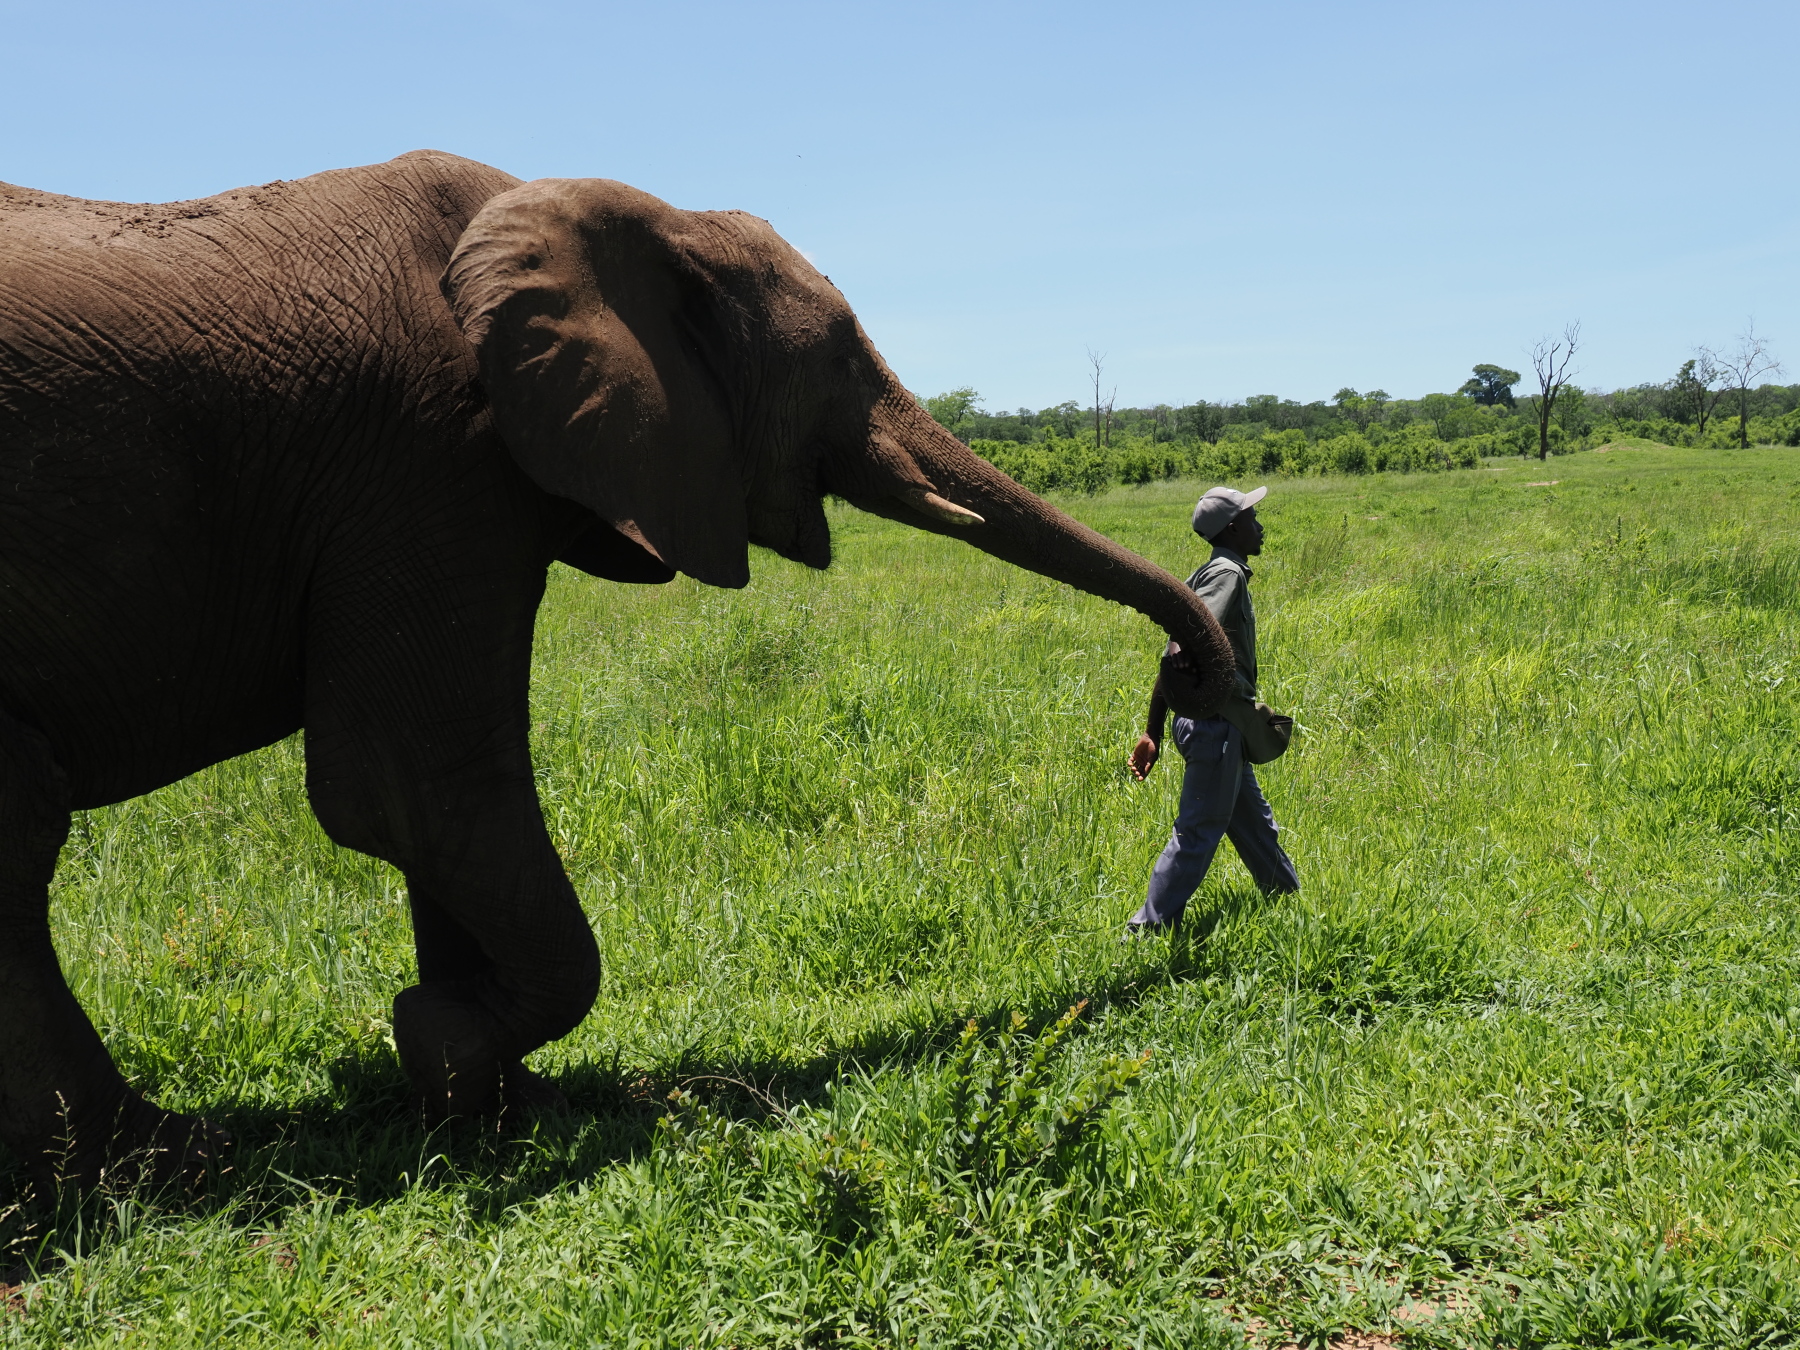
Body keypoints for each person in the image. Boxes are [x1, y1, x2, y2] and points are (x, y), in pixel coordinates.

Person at [1127, 485, 1298, 930]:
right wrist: (1182, 650)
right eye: (1253, 518)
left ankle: (1286, 899)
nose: (1260, 526)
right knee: (1199, 830)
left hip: (1221, 725)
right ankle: (1147, 929)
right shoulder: (1227, 575)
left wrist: (1154, 730)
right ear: (1233, 527)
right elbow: (1188, 642)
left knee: (1253, 822)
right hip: (1216, 728)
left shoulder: (1206, 573)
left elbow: (1178, 653)